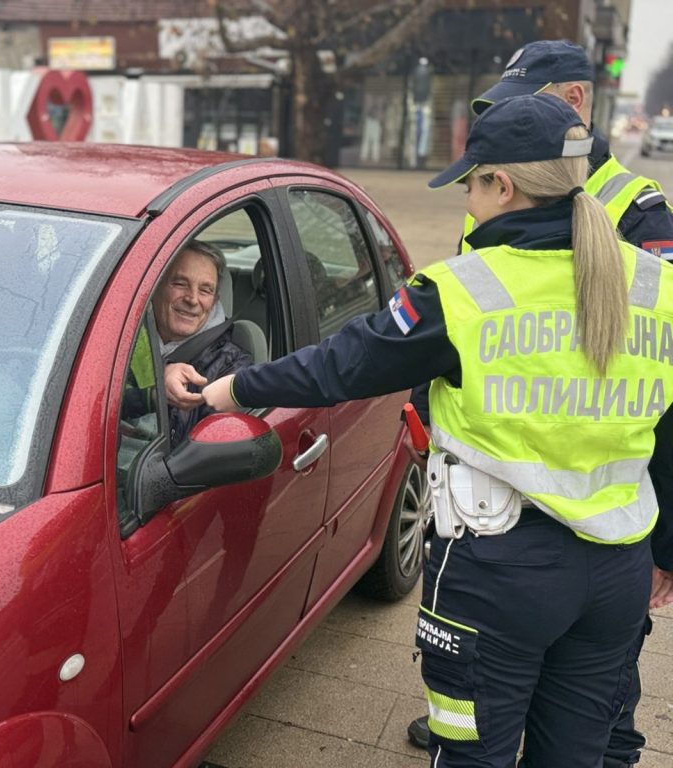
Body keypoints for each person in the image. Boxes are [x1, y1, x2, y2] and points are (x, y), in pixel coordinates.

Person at [201, 94, 673, 768]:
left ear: (500, 184)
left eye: (472, 186)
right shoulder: (658, 287)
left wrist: (236, 386)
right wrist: (668, 551)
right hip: (618, 571)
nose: (469, 204)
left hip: (500, 570)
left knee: (472, 757)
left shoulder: (461, 292)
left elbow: (342, 366)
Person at [408, 39, 673, 766]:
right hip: (513, 509)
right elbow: (467, 319)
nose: (514, 114)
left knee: (596, 724)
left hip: (589, 524)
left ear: (577, 102)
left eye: (530, 97)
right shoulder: (505, 186)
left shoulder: (640, 215)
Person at [458, 39, 673, 258]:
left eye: (522, 106)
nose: (505, 119)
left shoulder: (640, 214)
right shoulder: (487, 191)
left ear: (573, 99)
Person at [123, 240, 251, 446]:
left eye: (205, 290)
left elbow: (210, 454)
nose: (192, 299)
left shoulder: (232, 365)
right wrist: (151, 394)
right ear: (155, 287)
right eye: (180, 284)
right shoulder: (120, 336)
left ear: (216, 299)